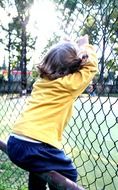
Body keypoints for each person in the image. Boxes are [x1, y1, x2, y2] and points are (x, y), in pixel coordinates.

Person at [7, 35, 98, 190]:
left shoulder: (41, 82)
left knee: (38, 168)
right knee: (69, 174)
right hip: (36, 146)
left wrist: (69, 50)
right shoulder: (69, 84)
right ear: (74, 67)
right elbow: (91, 68)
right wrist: (84, 46)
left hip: (14, 143)